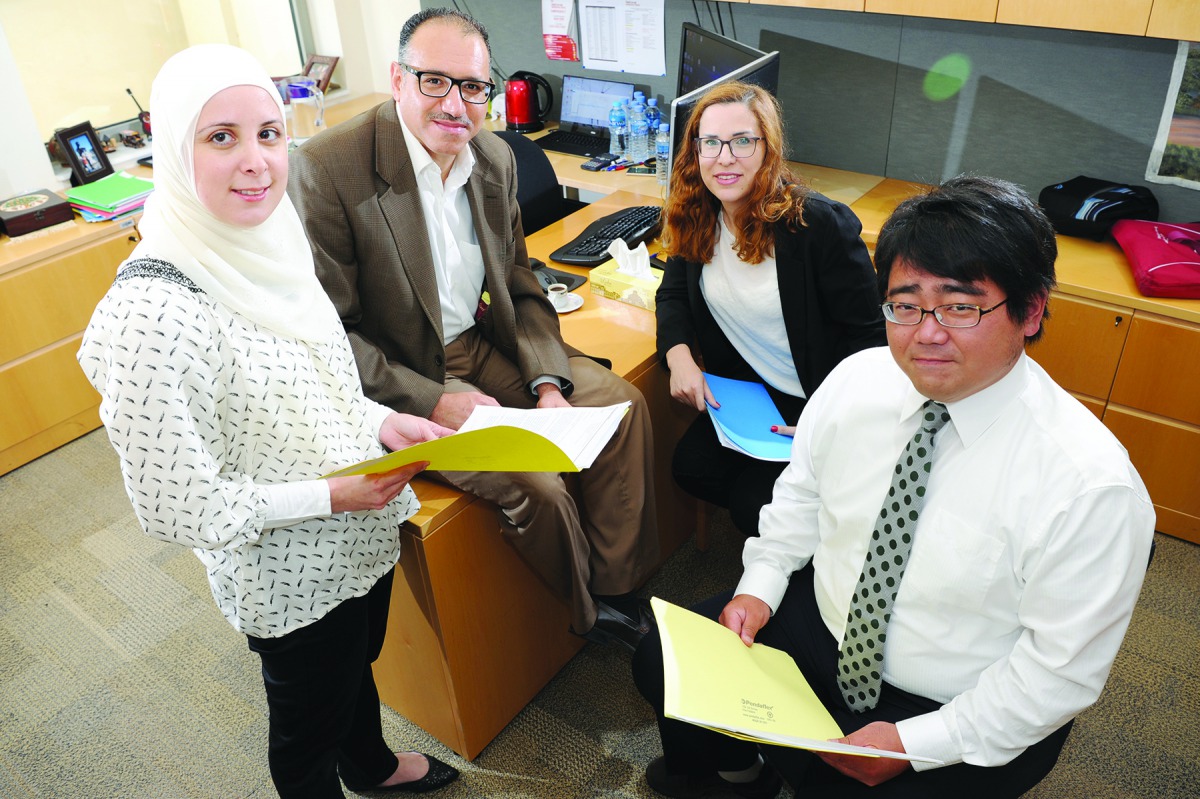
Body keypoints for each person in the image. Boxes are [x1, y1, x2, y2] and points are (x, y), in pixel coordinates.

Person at [632, 175, 1156, 798]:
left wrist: (918, 743)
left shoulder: (1092, 485)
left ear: (1031, 309)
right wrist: (761, 588)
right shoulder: (859, 379)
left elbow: (1056, 676)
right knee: (661, 660)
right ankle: (738, 778)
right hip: (823, 624)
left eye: (961, 307)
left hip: (953, 697)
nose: (926, 333)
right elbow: (801, 499)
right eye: (905, 305)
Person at [77, 44, 461, 798]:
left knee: (358, 668)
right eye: (220, 137)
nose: (256, 161)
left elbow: (315, 381)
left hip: (360, 527)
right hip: (286, 572)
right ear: (175, 151)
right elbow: (180, 505)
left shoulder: (270, 238)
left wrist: (381, 422)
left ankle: (372, 765)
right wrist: (329, 495)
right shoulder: (150, 315)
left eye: (269, 133)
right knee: (304, 727)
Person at [288, 8, 659, 649]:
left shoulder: (492, 157)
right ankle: (589, 618)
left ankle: (617, 588)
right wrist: (434, 399)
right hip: (401, 374)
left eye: (474, 87)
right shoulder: (328, 169)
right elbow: (331, 335)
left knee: (622, 407)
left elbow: (518, 277)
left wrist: (547, 380)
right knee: (536, 486)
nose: (457, 104)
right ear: (398, 79)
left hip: (481, 342)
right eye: (436, 81)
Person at [654, 81, 884, 537]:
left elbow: (872, 343)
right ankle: (801, 523)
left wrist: (829, 425)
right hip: (754, 397)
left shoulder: (817, 226)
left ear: (768, 149)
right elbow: (673, 293)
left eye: (742, 141)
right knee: (690, 468)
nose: (724, 158)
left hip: (818, 400)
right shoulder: (698, 211)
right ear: (694, 151)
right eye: (711, 143)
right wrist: (678, 357)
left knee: (753, 509)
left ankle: (819, 544)